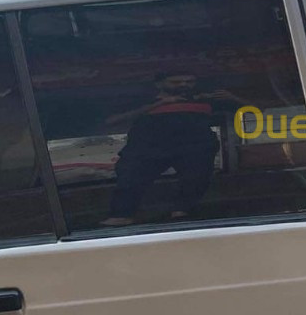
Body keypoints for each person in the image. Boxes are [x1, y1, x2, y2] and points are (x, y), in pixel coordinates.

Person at [102, 73, 239, 226]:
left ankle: (182, 213)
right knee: (130, 178)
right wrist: (159, 104)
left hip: (194, 148)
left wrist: (234, 98)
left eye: (189, 81)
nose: (183, 85)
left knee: (196, 179)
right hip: (147, 149)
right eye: (176, 82)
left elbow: (257, 109)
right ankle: (122, 216)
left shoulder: (206, 100)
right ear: (159, 84)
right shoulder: (142, 101)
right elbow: (111, 121)